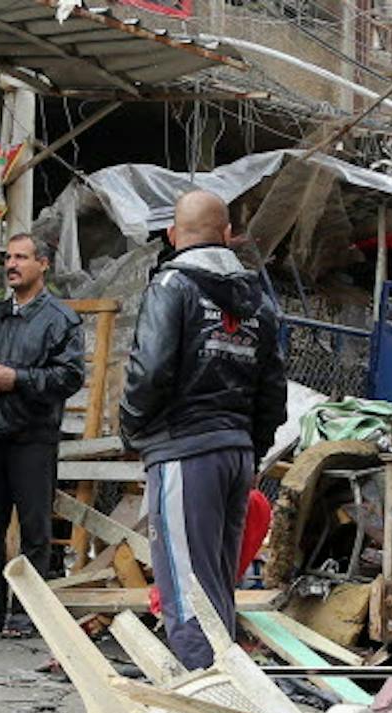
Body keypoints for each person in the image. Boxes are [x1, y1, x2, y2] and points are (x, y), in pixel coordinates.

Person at [120, 189, 288, 669]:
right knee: (215, 586)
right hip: (235, 453)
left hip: (183, 451)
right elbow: (272, 389)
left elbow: (150, 371)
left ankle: (203, 699)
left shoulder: (172, 285)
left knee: (185, 590)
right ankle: (229, 690)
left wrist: (133, 429)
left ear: (173, 236)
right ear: (229, 235)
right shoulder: (259, 299)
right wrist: (252, 449)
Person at [0, 230, 86, 639]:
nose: (11, 265)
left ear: (43, 264)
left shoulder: (61, 319)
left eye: (21, 258)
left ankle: (28, 610)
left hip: (33, 435)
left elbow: (70, 376)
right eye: (8, 258)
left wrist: (20, 379)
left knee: (35, 527)